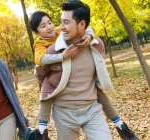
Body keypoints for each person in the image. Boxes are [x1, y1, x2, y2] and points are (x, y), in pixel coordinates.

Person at [32, 1, 139, 140]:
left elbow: (97, 74)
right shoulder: (51, 51)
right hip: (63, 114)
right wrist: (61, 58)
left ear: (82, 24)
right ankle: (41, 129)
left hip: (92, 110)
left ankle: (120, 125)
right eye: (60, 22)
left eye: (65, 22)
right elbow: (40, 73)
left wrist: (90, 35)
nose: (60, 27)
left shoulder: (96, 45)